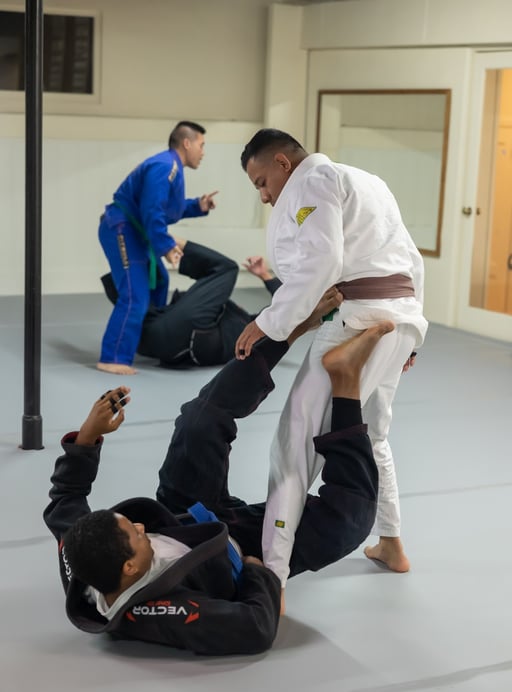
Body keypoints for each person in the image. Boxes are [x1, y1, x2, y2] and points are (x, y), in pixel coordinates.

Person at [44, 308, 395, 656]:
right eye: (135, 534)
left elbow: (65, 499)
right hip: (241, 550)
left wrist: (88, 434)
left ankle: (286, 330)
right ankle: (346, 381)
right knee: (349, 520)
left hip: (184, 516)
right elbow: (254, 629)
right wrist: (261, 575)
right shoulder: (158, 612)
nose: (139, 526)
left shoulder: (81, 554)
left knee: (198, 424)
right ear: (130, 568)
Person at [235, 128, 428, 593]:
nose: (264, 195)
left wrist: (268, 321)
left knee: (294, 445)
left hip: (356, 320)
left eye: (262, 182)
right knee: (372, 435)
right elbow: (412, 258)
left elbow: (322, 260)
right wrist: (411, 338)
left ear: (283, 163)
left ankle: (273, 573)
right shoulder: (369, 181)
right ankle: (390, 542)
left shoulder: (313, 180)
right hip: (401, 318)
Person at [97, 120, 218, 376]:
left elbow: (166, 208)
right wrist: (166, 246)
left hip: (135, 232)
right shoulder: (165, 167)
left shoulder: (171, 167)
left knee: (159, 282)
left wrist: (198, 206)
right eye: (202, 145)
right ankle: (113, 356)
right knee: (135, 293)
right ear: (187, 143)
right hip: (122, 229)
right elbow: (152, 211)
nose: (203, 152)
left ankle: (145, 341)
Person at [102, 241, 281, 368]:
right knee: (147, 282)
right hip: (157, 342)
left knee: (227, 268)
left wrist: (266, 276)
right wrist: (263, 274)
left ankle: (166, 240)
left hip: (190, 336)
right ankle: (130, 241)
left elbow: (287, 305)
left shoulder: (262, 332)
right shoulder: (248, 322)